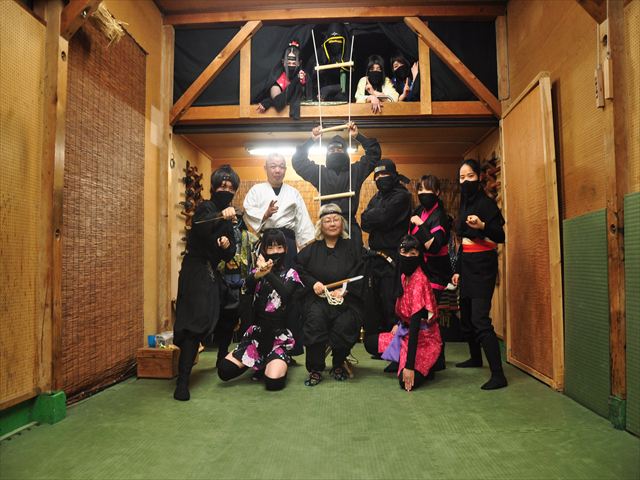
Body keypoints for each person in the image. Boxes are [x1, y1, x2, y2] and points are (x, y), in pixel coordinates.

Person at [173, 165, 240, 401]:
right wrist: (222, 216)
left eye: (230, 187)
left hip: (212, 270)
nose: (226, 189)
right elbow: (200, 227)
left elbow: (230, 252)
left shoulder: (229, 217)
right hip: (195, 269)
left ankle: (222, 356)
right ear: (213, 187)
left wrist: (226, 246)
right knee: (194, 322)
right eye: (222, 185)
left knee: (231, 308)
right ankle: (182, 382)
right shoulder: (206, 207)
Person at [217, 229, 303, 391]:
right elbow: (246, 288)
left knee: (273, 383)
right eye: (270, 248)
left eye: (279, 247)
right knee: (224, 371)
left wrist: (268, 274)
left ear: (285, 249)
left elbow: (285, 294)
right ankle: (261, 362)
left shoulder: (291, 273)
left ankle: (278, 361)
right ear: (264, 250)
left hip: (279, 338)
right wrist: (259, 273)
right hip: (256, 336)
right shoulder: (257, 273)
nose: (275, 251)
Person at [452, 159, 507, 390]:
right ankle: (475, 358)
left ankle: (498, 375)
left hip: (483, 265)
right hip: (467, 263)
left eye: (470, 176)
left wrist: (483, 225)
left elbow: (500, 236)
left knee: (480, 319)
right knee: (466, 316)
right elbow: (463, 241)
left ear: (479, 178)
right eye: (462, 177)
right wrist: (457, 270)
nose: (465, 181)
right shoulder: (464, 204)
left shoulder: (487, 204)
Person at [295, 204, 364, 386]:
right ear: (321, 225)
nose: (332, 224)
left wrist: (344, 290)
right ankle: (315, 369)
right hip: (318, 299)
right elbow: (298, 269)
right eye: (327, 220)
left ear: (342, 224)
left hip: (345, 299)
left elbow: (360, 271)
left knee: (345, 323)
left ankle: (338, 364)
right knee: (315, 321)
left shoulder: (353, 247)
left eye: (336, 220)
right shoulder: (311, 249)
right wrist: (313, 283)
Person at [364, 235, 441, 391]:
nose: (407, 257)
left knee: (405, 383)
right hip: (405, 334)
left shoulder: (419, 281)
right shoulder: (404, 275)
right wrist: (398, 325)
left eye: (413, 253)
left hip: (423, 340)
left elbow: (415, 327)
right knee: (370, 342)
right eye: (404, 253)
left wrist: (409, 367)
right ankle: (403, 359)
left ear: (419, 256)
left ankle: (427, 364)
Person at [291, 121, 381, 248]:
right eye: (331, 150)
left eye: (339, 149)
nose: (335, 152)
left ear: (345, 153)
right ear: (327, 154)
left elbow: (374, 154)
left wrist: (358, 136)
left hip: (349, 227)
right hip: (328, 226)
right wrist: (312, 140)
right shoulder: (320, 173)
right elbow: (298, 161)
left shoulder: (355, 171)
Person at [361, 159, 412, 337]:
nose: (381, 178)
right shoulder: (377, 197)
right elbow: (364, 221)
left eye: (385, 174)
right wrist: (378, 216)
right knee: (377, 304)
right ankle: (382, 344)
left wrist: (375, 216)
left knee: (392, 303)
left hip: (394, 258)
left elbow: (383, 217)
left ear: (394, 175)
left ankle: (397, 344)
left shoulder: (402, 196)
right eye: (377, 176)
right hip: (376, 258)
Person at [409, 175, 452, 371]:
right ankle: (423, 354)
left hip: (436, 271)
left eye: (428, 190)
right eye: (421, 190)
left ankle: (437, 358)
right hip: (420, 270)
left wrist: (420, 225)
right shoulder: (419, 210)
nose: (424, 194)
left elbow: (434, 247)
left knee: (430, 314)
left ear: (437, 193)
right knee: (419, 314)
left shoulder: (440, 216)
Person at [243, 152, 315, 268]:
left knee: (290, 274)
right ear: (265, 168)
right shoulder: (256, 190)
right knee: (266, 273)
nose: (277, 170)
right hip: (267, 242)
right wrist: (265, 215)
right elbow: (248, 210)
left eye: (281, 167)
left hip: (288, 242)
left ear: (285, 169)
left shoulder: (293, 193)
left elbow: (303, 221)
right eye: (273, 166)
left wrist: (305, 247)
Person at [209, 212, 257, 366]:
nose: (234, 222)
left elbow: (257, 256)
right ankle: (222, 353)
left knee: (247, 322)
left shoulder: (251, 238)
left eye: (237, 219)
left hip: (245, 285)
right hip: (224, 285)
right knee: (226, 322)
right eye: (231, 220)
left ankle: (247, 355)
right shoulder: (218, 238)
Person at [256, 40, 309, 120]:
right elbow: (278, 103)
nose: (291, 66)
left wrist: (270, 102)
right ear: (283, 62)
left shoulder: (304, 77)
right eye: (288, 63)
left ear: (299, 63)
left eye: (294, 63)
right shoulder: (278, 80)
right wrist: (295, 80)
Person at [313, 23, 350, 102]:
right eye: (332, 42)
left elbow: (346, 86)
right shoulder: (321, 56)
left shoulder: (347, 57)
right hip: (323, 99)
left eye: (338, 41)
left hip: (342, 99)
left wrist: (329, 89)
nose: (335, 44)